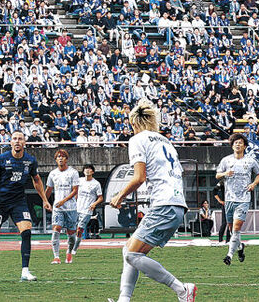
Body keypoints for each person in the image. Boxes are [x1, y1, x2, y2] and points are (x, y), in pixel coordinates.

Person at [109, 99, 196, 302]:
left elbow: (139, 177)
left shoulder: (138, 140)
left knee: (132, 255)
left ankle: (182, 289)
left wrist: (119, 195)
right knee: (128, 249)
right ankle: (124, 299)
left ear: (134, 123)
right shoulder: (166, 142)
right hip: (176, 204)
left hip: (163, 204)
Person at [0, 130, 51, 282]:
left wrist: (44, 199)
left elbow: (37, 180)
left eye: (20, 139)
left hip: (19, 202)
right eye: (14, 139)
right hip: (0, 203)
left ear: (25, 142)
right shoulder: (1, 159)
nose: (17, 141)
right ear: (10, 142)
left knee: (26, 232)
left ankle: (25, 271)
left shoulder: (30, 161)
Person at [216, 132, 259, 266]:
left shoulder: (250, 161)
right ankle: (240, 247)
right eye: (235, 142)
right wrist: (225, 173)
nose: (238, 144)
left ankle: (229, 255)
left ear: (245, 146)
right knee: (232, 230)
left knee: (236, 228)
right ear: (232, 145)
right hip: (229, 199)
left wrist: (253, 184)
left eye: (240, 142)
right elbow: (217, 175)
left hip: (243, 199)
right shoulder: (226, 160)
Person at [46, 149, 79, 264]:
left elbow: (75, 190)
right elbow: (49, 189)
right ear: (55, 159)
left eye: (63, 156)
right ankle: (56, 257)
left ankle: (69, 253)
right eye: (58, 157)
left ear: (66, 159)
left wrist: (63, 201)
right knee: (56, 229)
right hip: (58, 208)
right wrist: (45, 201)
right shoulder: (53, 174)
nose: (60, 158)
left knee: (71, 233)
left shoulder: (73, 172)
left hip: (71, 208)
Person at [70, 163, 103, 258]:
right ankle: (72, 245)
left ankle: (74, 249)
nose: (87, 170)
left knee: (79, 229)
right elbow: (74, 192)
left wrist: (94, 204)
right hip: (76, 209)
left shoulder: (96, 184)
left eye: (89, 169)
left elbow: (100, 198)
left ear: (92, 172)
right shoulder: (79, 181)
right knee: (72, 229)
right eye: (85, 169)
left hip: (87, 210)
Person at [213, 178, 230, 243]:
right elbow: (214, 191)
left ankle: (228, 240)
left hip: (233, 203)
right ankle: (220, 239)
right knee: (224, 222)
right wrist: (220, 201)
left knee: (231, 223)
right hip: (225, 204)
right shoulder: (222, 182)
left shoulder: (235, 181)